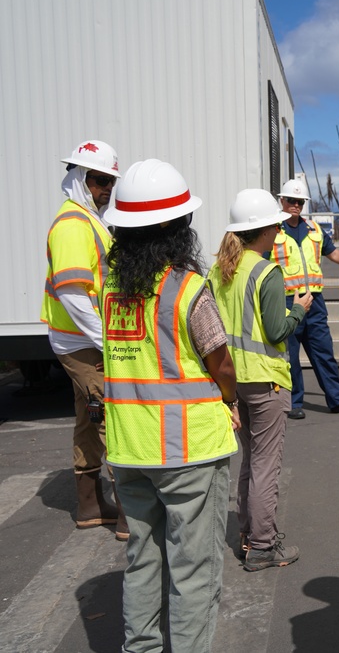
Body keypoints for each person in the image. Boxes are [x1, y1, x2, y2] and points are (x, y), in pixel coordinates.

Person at [101, 159, 240, 652]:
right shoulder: (186, 287)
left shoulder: (110, 286)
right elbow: (221, 364)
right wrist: (229, 400)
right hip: (189, 450)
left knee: (142, 559)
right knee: (193, 570)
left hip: (129, 448)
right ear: (174, 227)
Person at [209, 189, 311, 571]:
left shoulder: (218, 269)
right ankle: (263, 545)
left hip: (231, 379)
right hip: (265, 381)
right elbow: (275, 329)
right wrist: (298, 311)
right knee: (265, 466)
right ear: (266, 229)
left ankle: (248, 537)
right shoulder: (266, 271)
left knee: (251, 462)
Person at [41, 139, 126, 539]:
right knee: (114, 418)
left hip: (77, 339)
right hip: (82, 341)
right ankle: (132, 515)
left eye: (109, 180)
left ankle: (91, 506)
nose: (105, 188)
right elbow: (74, 294)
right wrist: (106, 341)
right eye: (97, 180)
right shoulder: (73, 224)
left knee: (89, 419)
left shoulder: (87, 219)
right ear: (78, 179)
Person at [270, 178, 339, 418]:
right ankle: (294, 403)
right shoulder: (272, 229)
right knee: (290, 356)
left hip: (314, 301)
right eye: (291, 200)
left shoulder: (314, 229)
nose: (296, 205)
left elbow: (335, 254)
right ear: (282, 201)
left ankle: (337, 399)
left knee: (323, 351)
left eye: (300, 201)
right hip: (287, 301)